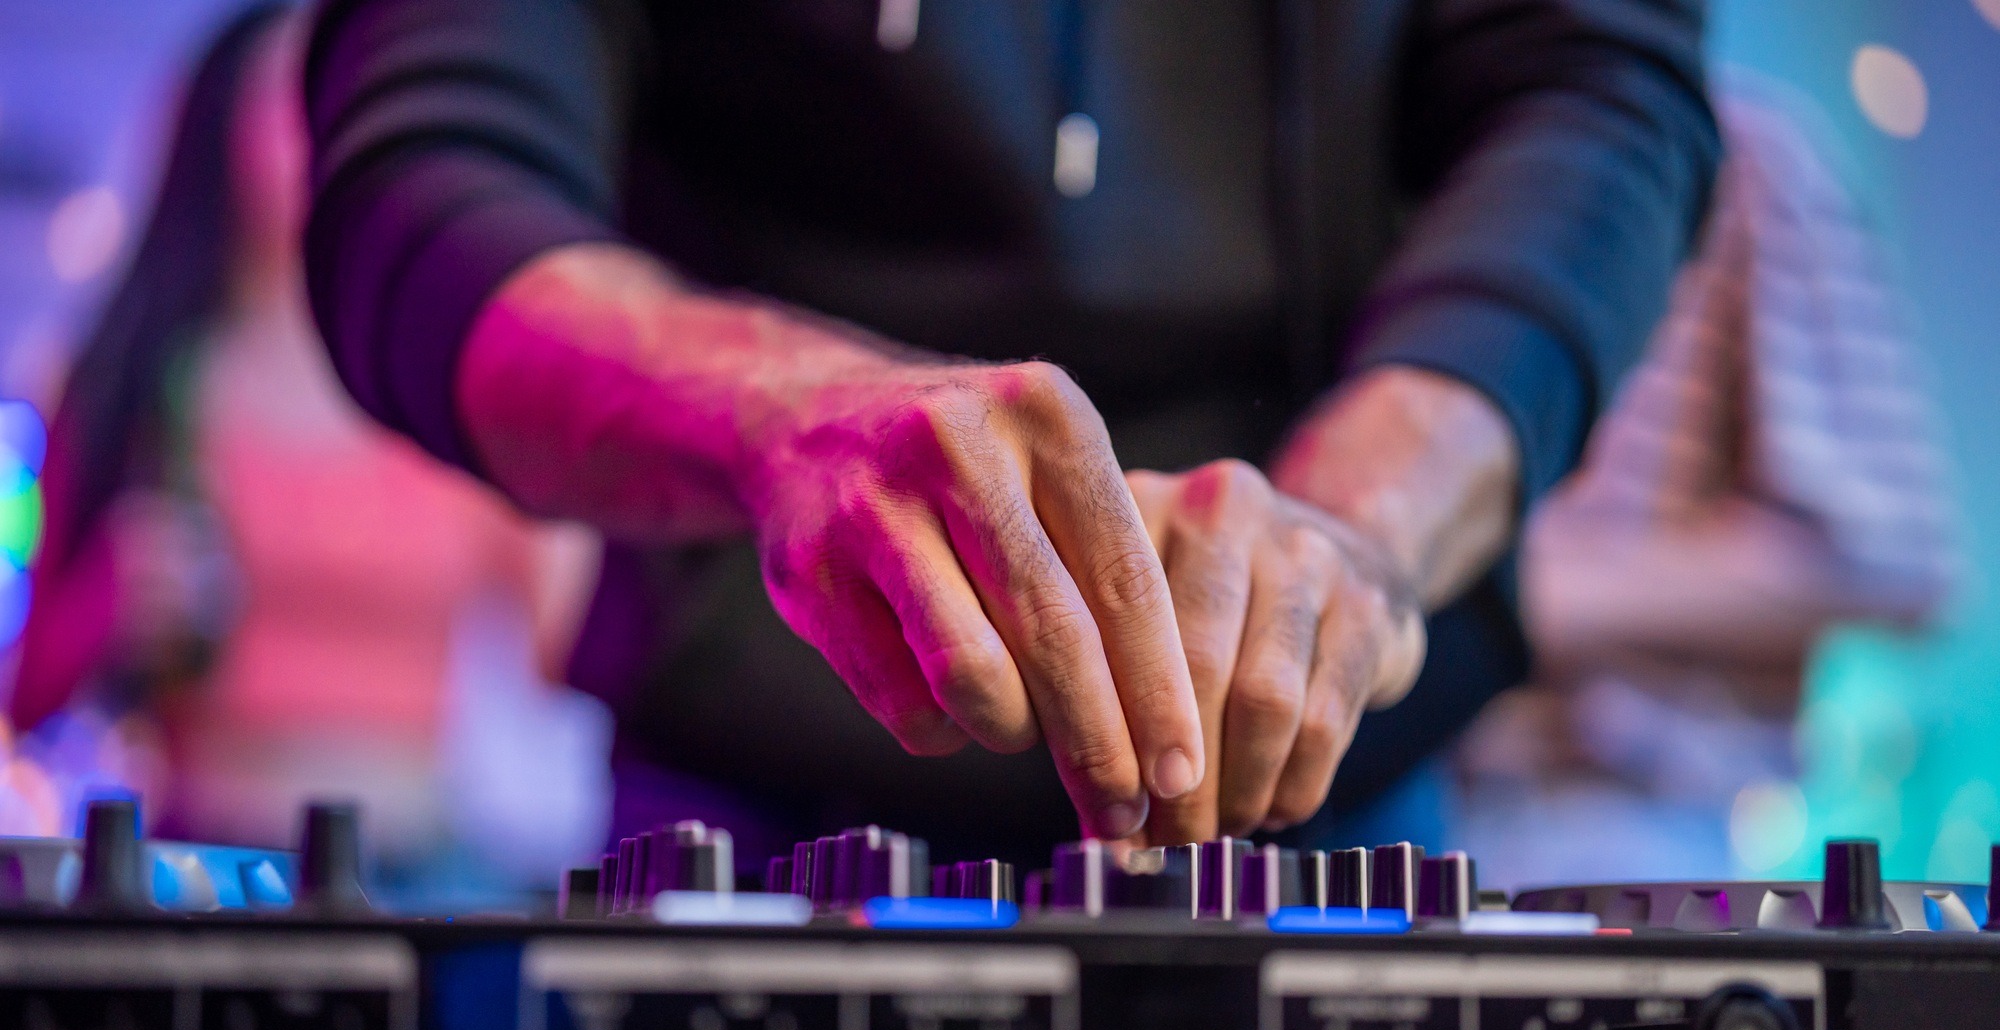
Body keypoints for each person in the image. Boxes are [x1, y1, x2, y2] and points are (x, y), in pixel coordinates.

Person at [304, 0, 1719, 867]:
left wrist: (1355, 524)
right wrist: (787, 415)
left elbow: (1599, 109)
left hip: (1322, 804)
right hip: (745, 797)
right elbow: (424, 186)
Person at [12, 4, 608, 901]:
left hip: (426, 867)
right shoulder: (147, 384)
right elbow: (28, 694)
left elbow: (569, 655)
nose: (337, 131)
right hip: (205, 865)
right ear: (228, 123)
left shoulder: (449, 380)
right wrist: (110, 596)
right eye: (309, 98)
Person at [1451, 76, 1959, 886]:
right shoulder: (1365, 156)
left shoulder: (1743, 154)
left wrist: (1494, 590)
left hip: (1593, 817)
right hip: (1352, 803)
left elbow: (1884, 552)